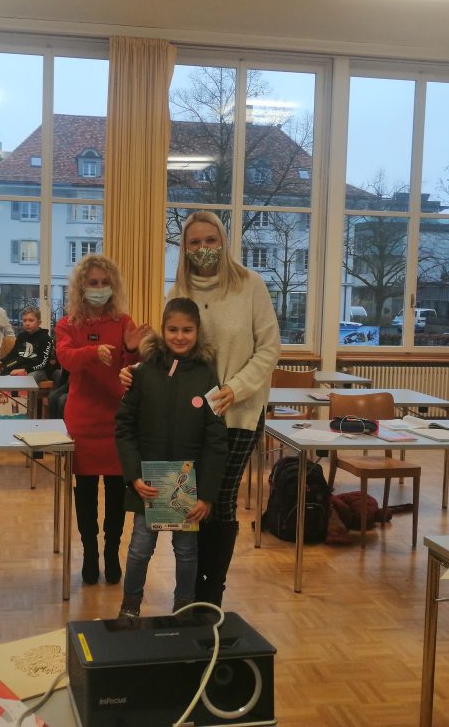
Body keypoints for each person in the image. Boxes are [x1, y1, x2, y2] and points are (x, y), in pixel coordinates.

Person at [125, 210, 280, 607]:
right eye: (194, 242)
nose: (203, 248)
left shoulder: (250, 285)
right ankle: (191, 594)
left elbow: (269, 348)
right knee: (193, 502)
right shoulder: (179, 289)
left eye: (211, 240)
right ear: (185, 248)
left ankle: (211, 596)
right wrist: (137, 370)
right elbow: (168, 348)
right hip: (190, 419)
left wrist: (235, 388)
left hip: (239, 413)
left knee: (220, 501)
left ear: (223, 241)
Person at [114, 298, 227, 618]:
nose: (179, 336)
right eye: (173, 329)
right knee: (139, 549)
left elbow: (216, 440)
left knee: (186, 552)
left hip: (188, 489)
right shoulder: (142, 372)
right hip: (147, 486)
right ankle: (130, 607)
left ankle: (184, 608)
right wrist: (134, 476)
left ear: (198, 331)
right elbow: (124, 428)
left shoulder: (208, 377)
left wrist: (206, 495)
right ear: (162, 330)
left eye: (187, 330)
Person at [55, 255, 151, 585]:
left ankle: (111, 553)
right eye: (93, 282)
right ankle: (90, 554)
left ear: (113, 286)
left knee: (115, 495)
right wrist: (92, 353)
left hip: (117, 421)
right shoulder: (67, 324)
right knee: (84, 494)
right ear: (81, 286)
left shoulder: (123, 322)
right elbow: (65, 359)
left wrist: (133, 350)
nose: (99, 288)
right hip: (82, 422)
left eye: (104, 283)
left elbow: (131, 369)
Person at [0, 305, 54, 384]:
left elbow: (43, 363)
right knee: (3, 374)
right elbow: (13, 354)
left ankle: (25, 392)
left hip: (39, 370)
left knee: (27, 379)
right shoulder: (21, 336)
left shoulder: (45, 339)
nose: (27, 323)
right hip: (21, 367)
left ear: (39, 323)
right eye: (24, 320)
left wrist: (25, 370)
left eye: (31, 320)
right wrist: (1, 361)